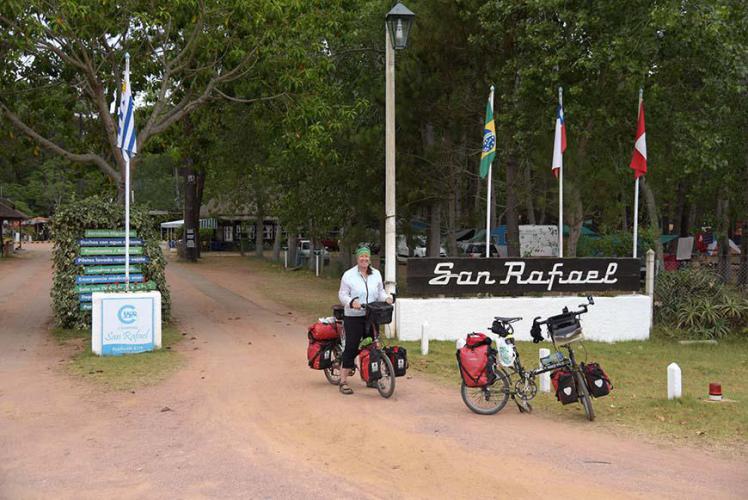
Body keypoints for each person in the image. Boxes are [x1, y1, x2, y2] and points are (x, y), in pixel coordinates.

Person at [337, 246, 393, 395]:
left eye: (366, 257)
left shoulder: (376, 274)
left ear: (369, 259)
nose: (364, 259)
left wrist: (386, 298)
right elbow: (342, 294)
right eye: (361, 257)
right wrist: (351, 302)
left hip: (371, 315)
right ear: (357, 258)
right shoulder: (348, 275)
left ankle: (371, 377)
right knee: (352, 347)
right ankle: (343, 381)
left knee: (373, 346)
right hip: (353, 316)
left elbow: (380, 292)